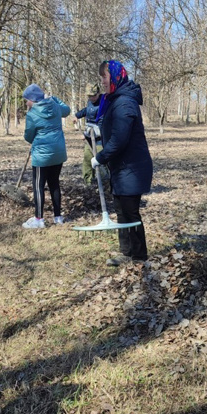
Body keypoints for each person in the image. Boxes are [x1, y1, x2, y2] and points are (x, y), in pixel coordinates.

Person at [91, 60, 153, 265]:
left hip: (132, 167)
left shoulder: (124, 102)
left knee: (130, 211)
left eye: (104, 77)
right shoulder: (117, 100)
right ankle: (127, 253)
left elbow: (120, 139)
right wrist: (99, 134)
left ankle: (139, 257)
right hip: (122, 167)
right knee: (121, 209)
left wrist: (99, 157)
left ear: (116, 77)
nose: (102, 82)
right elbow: (114, 131)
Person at [22, 84, 71, 229]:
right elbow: (67, 110)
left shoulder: (32, 114)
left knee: (38, 186)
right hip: (58, 152)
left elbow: (28, 136)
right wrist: (54, 98)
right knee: (54, 183)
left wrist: (35, 140)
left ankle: (39, 219)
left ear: (32, 99)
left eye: (27, 100)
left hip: (41, 156)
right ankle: (58, 217)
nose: (26, 103)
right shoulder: (55, 106)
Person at [74, 83, 103, 185]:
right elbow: (86, 111)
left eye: (93, 96)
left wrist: (89, 134)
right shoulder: (90, 102)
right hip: (89, 138)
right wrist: (77, 116)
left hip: (100, 140)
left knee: (101, 162)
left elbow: (102, 124)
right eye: (89, 96)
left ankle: (105, 184)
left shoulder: (104, 103)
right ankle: (89, 183)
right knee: (87, 160)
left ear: (98, 93)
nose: (91, 98)